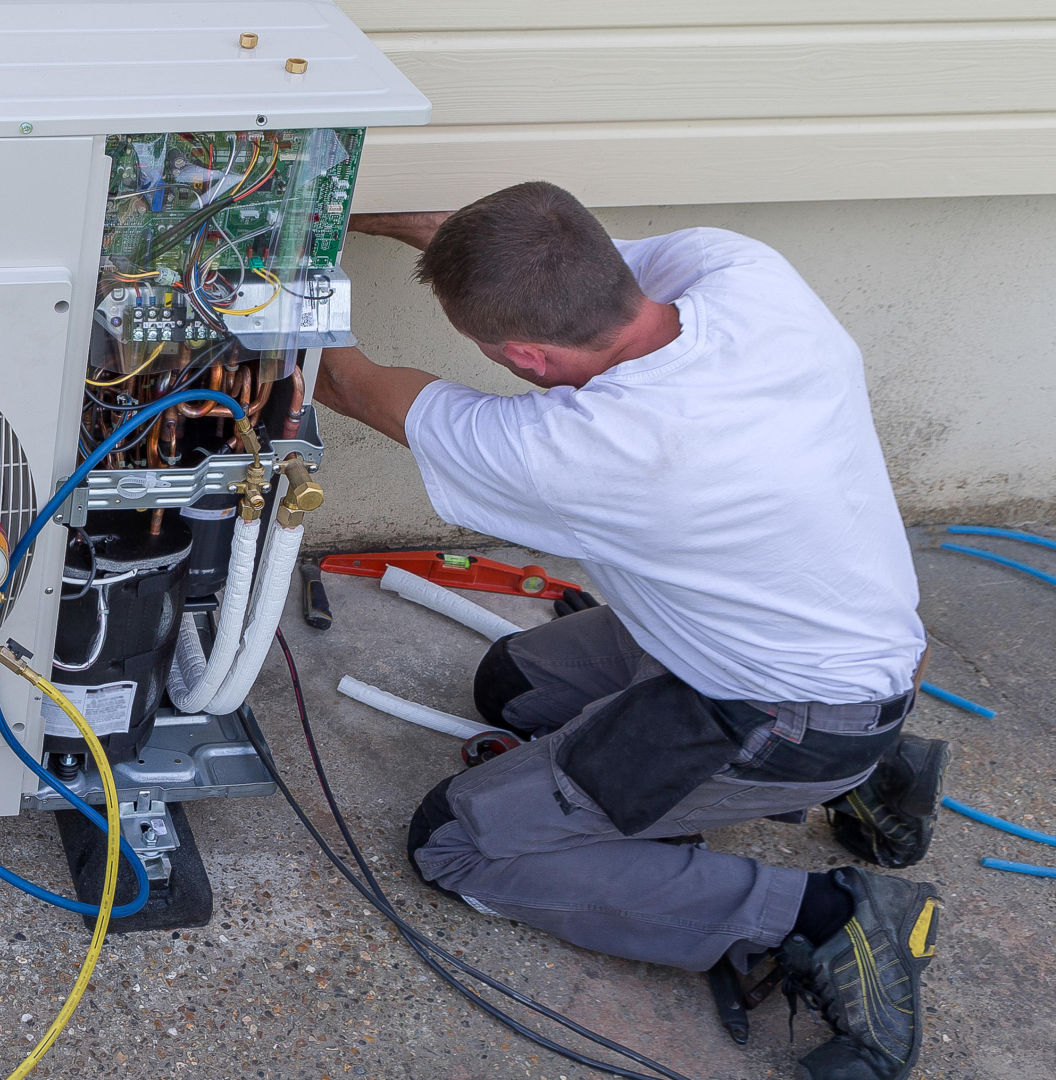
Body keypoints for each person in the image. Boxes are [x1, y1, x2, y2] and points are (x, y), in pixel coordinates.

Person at [314, 181, 949, 1080]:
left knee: (461, 842)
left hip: (781, 713)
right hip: (825, 640)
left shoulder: (588, 449)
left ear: (525, 358)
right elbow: (492, 244)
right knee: (515, 687)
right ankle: (879, 771)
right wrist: (326, 211)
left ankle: (825, 918)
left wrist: (291, 261)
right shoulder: (744, 275)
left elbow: (344, 382)